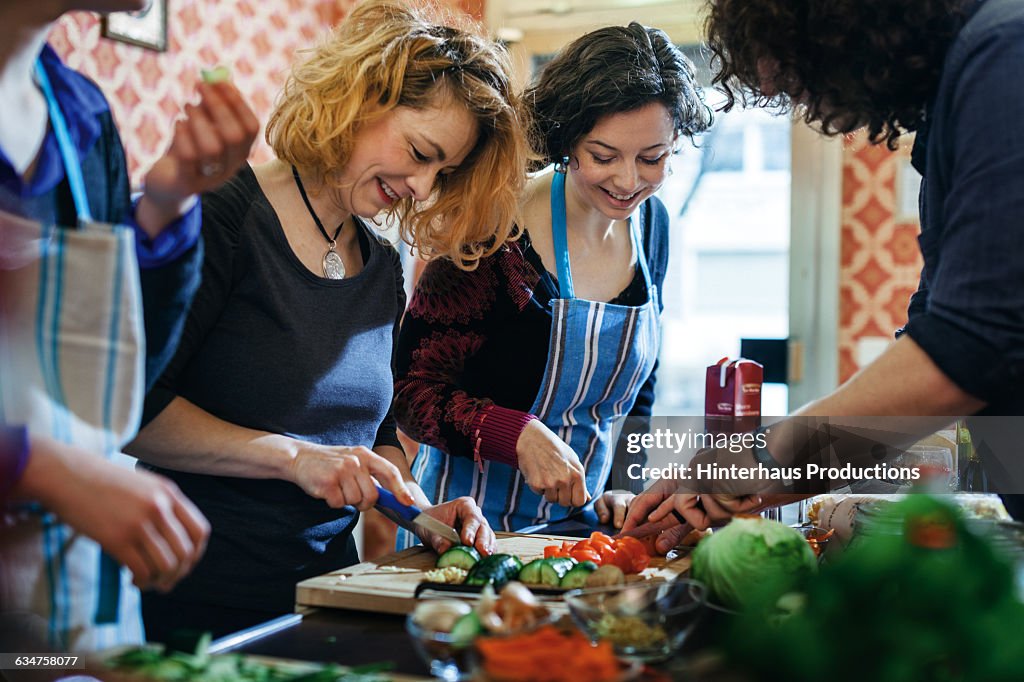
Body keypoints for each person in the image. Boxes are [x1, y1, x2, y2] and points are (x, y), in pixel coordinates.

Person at [126, 0, 528, 640]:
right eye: (420, 152)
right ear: (361, 98)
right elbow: (132, 414)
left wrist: (421, 515)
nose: (423, 188)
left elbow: (372, 435)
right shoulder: (222, 219)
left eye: (443, 172)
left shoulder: (381, 263)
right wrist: (294, 459)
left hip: (331, 594)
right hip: (201, 593)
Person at [623, 0, 1024, 549]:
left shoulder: (1005, 53)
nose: (805, 102)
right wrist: (755, 480)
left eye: (798, 76)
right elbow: (937, 344)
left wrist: (761, 456)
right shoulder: (956, 99)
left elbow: (966, 349)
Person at [0, 0, 257, 651]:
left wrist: (169, 202)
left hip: (54, 627)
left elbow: (118, 380)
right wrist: (36, 469)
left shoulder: (79, 118)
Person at [392, 23, 711, 542]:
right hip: (466, 534)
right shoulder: (493, 230)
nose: (629, 182)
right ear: (567, 141)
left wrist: (623, 486)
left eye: (653, 158)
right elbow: (408, 392)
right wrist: (514, 434)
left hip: (582, 536)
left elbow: (638, 387)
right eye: (603, 157)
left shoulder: (654, 228)